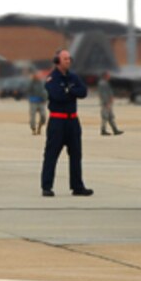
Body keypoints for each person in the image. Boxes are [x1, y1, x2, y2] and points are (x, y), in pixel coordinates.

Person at [40, 49, 93, 198]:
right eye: (65, 59)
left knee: (76, 154)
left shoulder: (73, 77)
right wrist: (71, 91)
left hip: (72, 121)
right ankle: (47, 186)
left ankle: (77, 186)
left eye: (69, 58)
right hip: (57, 121)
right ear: (57, 61)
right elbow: (57, 96)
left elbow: (83, 92)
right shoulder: (52, 78)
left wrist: (69, 90)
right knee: (52, 154)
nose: (68, 61)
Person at [97, 71, 123, 136]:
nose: (109, 76)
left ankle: (115, 130)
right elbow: (103, 94)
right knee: (105, 117)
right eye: (108, 75)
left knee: (110, 117)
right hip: (106, 103)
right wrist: (107, 103)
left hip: (108, 103)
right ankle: (103, 130)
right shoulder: (102, 83)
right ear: (105, 76)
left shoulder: (105, 83)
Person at [26, 70, 47, 135]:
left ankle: (40, 126)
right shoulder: (31, 82)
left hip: (41, 101)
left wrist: (45, 98)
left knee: (43, 116)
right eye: (37, 75)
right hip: (33, 101)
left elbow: (45, 91)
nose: (38, 76)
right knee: (32, 116)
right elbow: (27, 90)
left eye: (39, 75)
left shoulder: (42, 82)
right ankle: (33, 129)